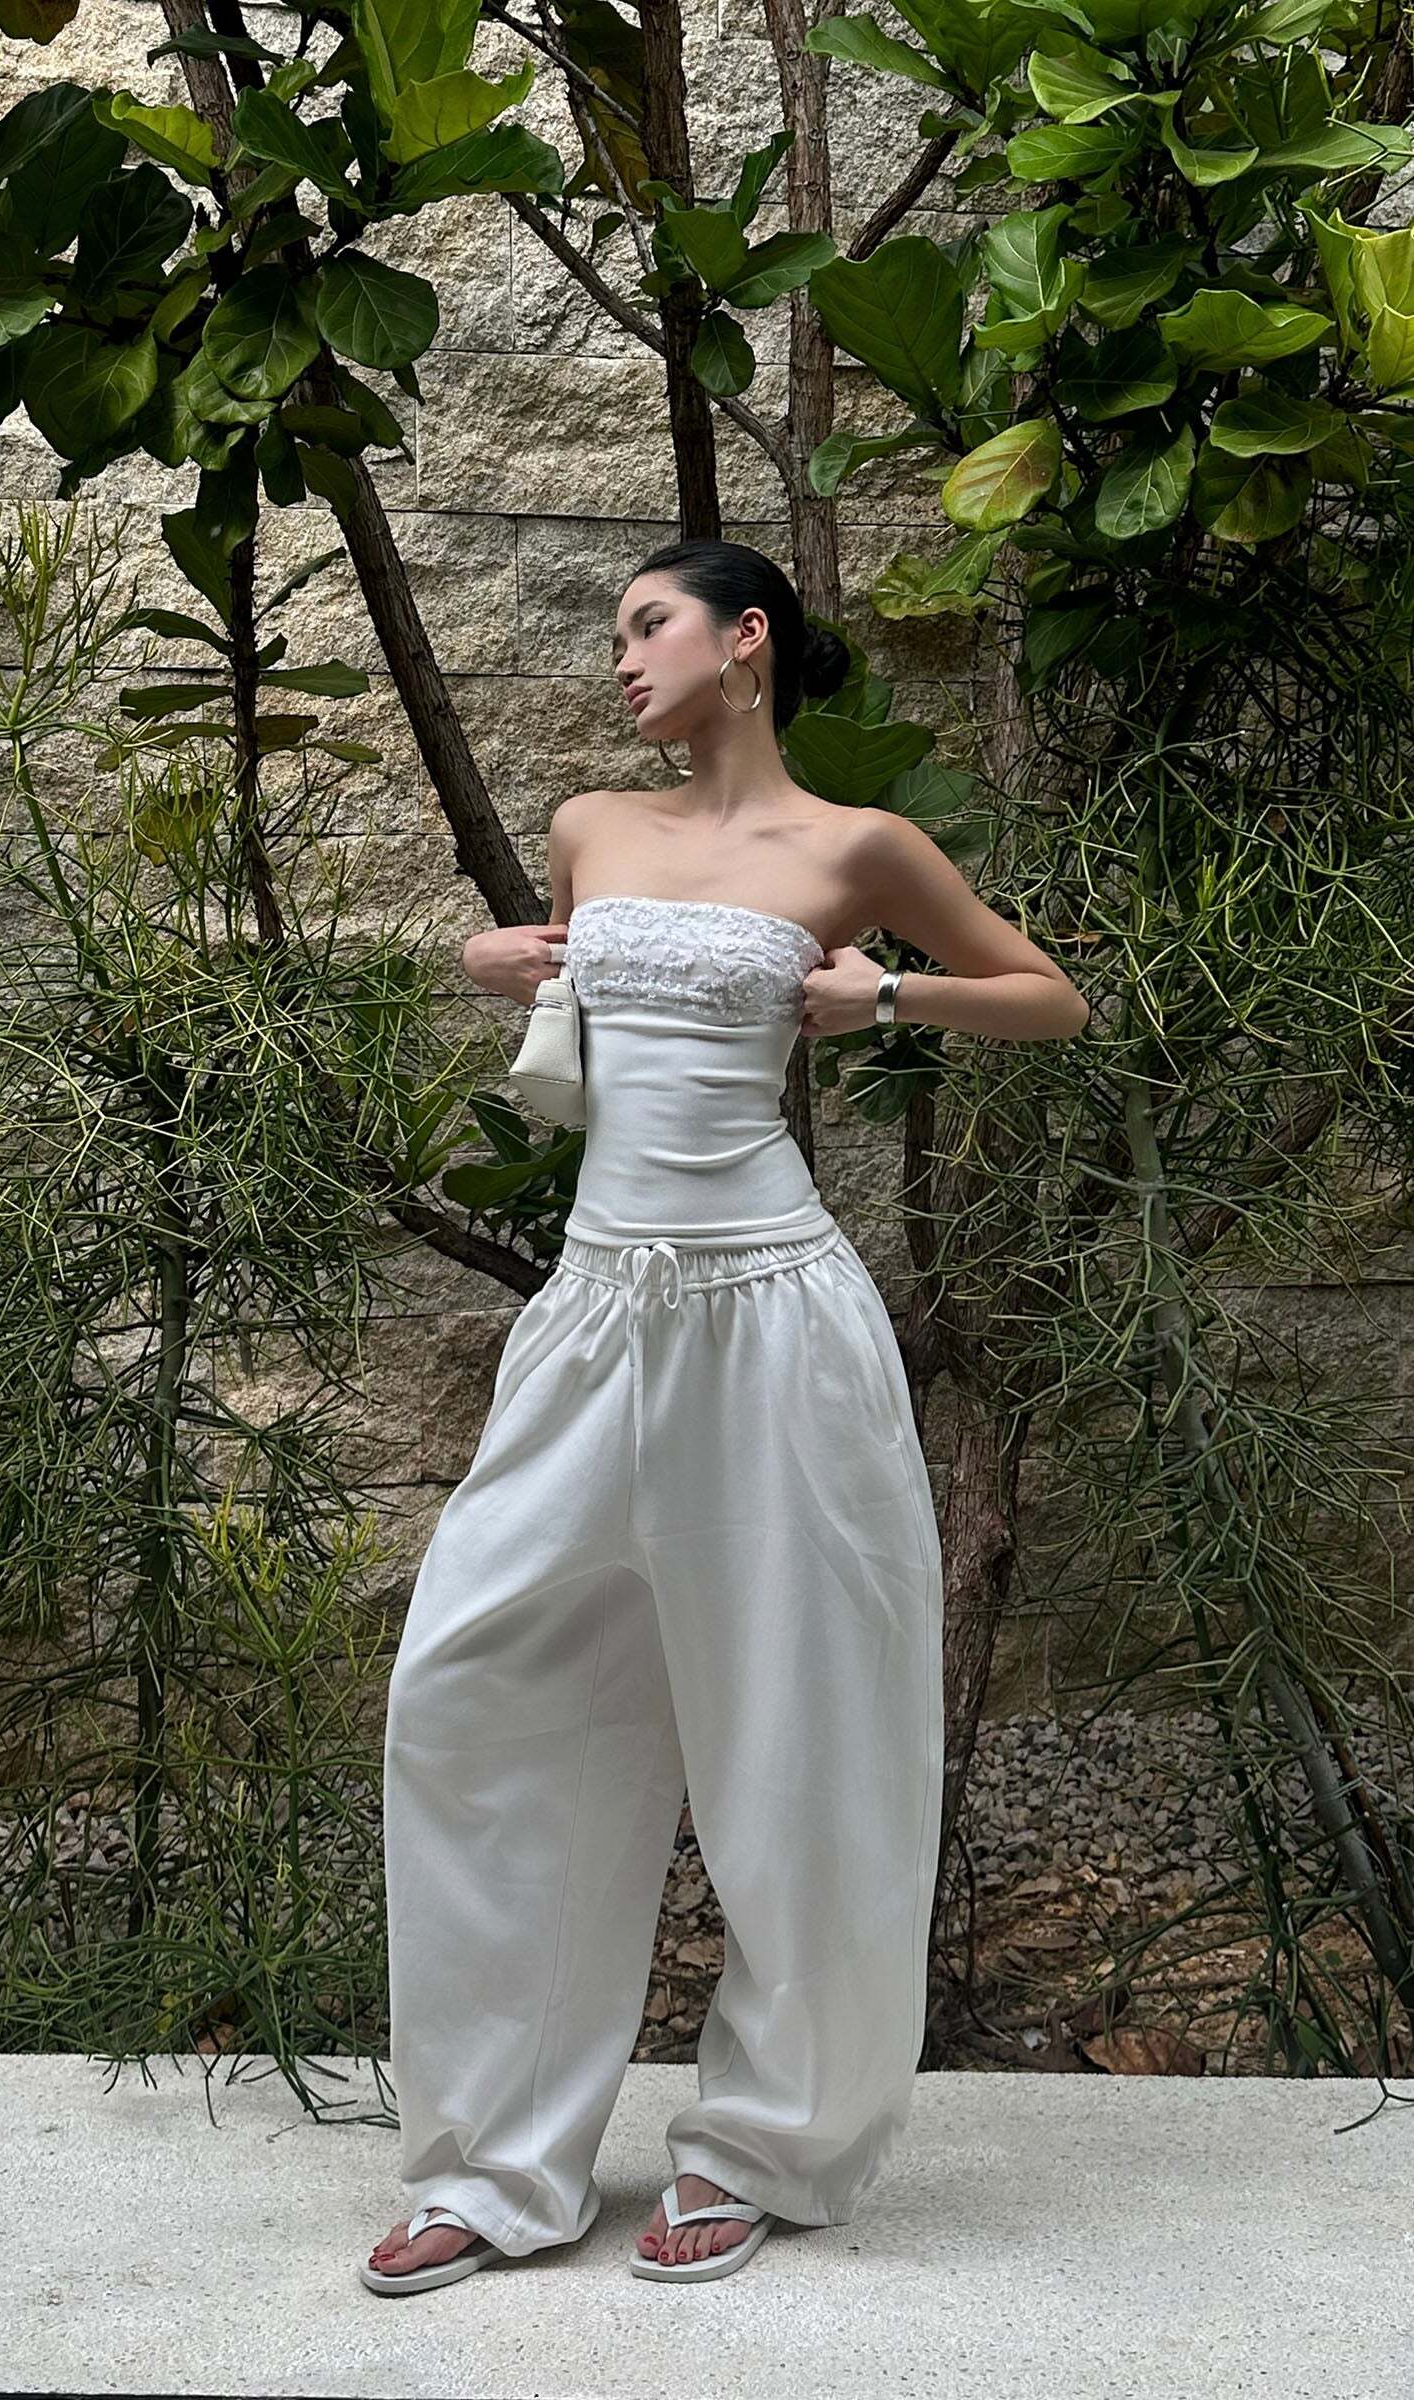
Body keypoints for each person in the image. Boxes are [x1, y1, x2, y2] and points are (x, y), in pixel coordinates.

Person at [364, 538, 1089, 2293]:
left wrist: (884, 992)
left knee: (798, 1723)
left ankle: (765, 2144)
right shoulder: (591, 826)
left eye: (651, 625)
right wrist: (489, 956)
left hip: (775, 1318)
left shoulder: (858, 847)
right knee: (474, 1694)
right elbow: (566, 992)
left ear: (744, 638)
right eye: (617, 632)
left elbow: (1050, 998)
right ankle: (498, 2164)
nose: (623, 658)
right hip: (597, 1315)